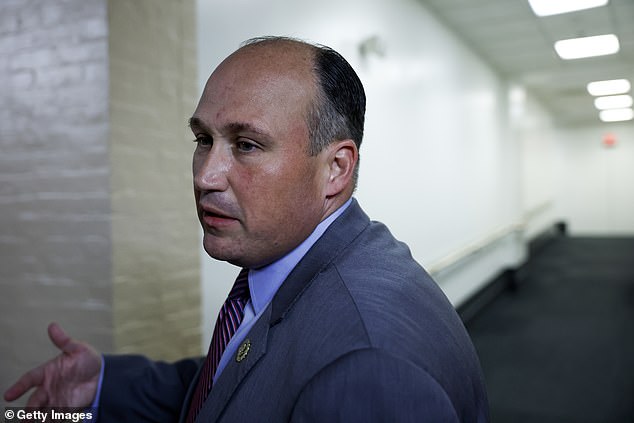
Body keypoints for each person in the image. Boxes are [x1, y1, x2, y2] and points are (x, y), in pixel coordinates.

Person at [4, 36, 489, 422]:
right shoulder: (305, 260)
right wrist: (102, 385)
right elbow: (240, 385)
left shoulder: (368, 367)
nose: (204, 176)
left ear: (336, 169)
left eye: (247, 144)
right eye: (203, 139)